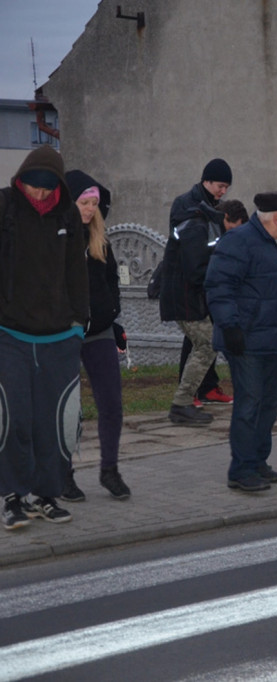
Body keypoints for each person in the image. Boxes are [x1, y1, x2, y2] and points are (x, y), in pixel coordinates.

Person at [1, 145, 88, 530]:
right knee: (14, 418)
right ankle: (12, 497)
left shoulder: (67, 214)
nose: (38, 195)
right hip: (10, 334)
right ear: (21, 180)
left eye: (45, 188)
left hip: (58, 337)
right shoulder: (4, 208)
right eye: (32, 187)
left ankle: (45, 495)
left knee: (56, 423)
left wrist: (79, 322)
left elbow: (76, 271)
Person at [205, 192, 277, 493]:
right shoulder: (238, 242)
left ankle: (258, 461)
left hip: (273, 338)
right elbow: (218, 286)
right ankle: (241, 469)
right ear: (276, 218)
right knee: (249, 402)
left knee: (270, 401)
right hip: (245, 339)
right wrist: (230, 326)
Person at [65, 170, 131, 501]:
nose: (90, 210)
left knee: (111, 404)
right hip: (63, 333)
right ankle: (63, 473)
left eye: (93, 204)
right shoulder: (57, 237)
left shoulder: (98, 239)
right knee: (66, 409)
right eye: (84, 203)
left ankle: (110, 470)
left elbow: (111, 281)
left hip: (99, 331)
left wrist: (112, 315)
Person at [160, 199, 248, 426]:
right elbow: (196, 271)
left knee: (205, 345)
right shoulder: (197, 228)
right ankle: (181, 403)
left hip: (189, 300)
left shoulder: (206, 227)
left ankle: (186, 400)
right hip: (185, 301)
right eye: (236, 228)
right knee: (207, 344)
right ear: (228, 219)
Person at [170, 158, 234, 406]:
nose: (223, 190)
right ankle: (189, 393)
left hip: (208, 281)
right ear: (206, 181)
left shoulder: (214, 206)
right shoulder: (187, 205)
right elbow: (190, 250)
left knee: (207, 337)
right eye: (220, 185)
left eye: (227, 186)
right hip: (190, 284)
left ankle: (208, 387)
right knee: (198, 340)